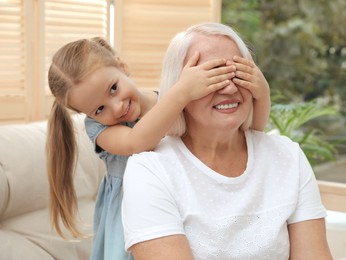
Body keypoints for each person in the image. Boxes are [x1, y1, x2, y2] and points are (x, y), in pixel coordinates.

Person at [122, 22, 333, 259]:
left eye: (237, 73)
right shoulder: (150, 170)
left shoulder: (288, 156)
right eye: (212, 76)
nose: (230, 88)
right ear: (180, 88)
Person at [46, 37, 270, 259]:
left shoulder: (169, 101)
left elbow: (251, 136)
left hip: (180, 199)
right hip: (131, 216)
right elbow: (136, 143)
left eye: (113, 89)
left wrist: (262, 94)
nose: (116, 108)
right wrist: (182, 92)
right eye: (99, 109)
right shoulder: (100, 128)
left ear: (122, 67)